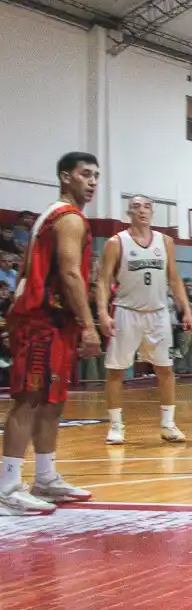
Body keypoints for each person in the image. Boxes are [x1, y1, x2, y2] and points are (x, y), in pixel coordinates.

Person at [1, 153, 102, 515]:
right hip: (41, 319)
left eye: (96, 176)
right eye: (85, 174)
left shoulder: (56, 216)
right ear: (65, 177)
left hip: (55, 322)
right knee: (29, 399)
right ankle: (7, 486)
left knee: (52, 400)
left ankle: (45, 478)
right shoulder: (68, 218)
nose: (92, 181)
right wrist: (89, 325)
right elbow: (71, 274)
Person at [95, 195, 192, 444]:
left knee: (165, 369)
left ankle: (168, 424)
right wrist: (102, 312)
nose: (143, 211)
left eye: (148, 207)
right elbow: (104, 280)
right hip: (126, 312)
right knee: (117, 370)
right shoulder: (116, 242)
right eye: (137, 207)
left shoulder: (166, 241)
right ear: (128, 212)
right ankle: (116, 426)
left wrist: (187, 309)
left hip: (159, 313)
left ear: (153, 213)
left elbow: (174, 278)